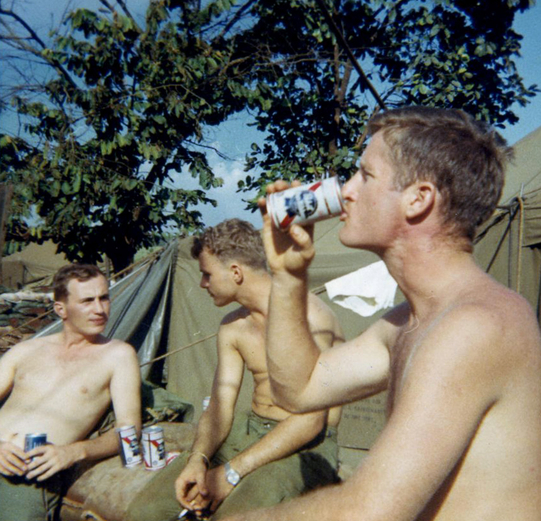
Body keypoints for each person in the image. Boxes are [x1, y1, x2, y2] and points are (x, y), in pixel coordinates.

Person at [223, 106, 541, 521]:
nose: (345, 190)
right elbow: (299, 388)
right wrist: (288, 275)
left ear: (418, 199)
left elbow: (366, 513)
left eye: (365, 175)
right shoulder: (408, 322)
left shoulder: (477, 324)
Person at [124, 219, 343, 521]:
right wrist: (197, 459)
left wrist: (231, 472)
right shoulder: (233, 327)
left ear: (236, 273)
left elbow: (310, 422)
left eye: (207, 274)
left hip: (308, 444)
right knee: (145, 513)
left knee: (236, 515)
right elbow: (219, 407)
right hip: (249, 430)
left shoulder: (310, 316)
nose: (203, 284)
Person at [0, 263, 142, 521]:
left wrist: (73, 452)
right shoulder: (26, 350)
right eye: (87, 301)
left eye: (104, 298)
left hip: (26, 477)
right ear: (60, 309)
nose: (100, 309)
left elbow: (130, 431)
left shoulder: (118, 355)